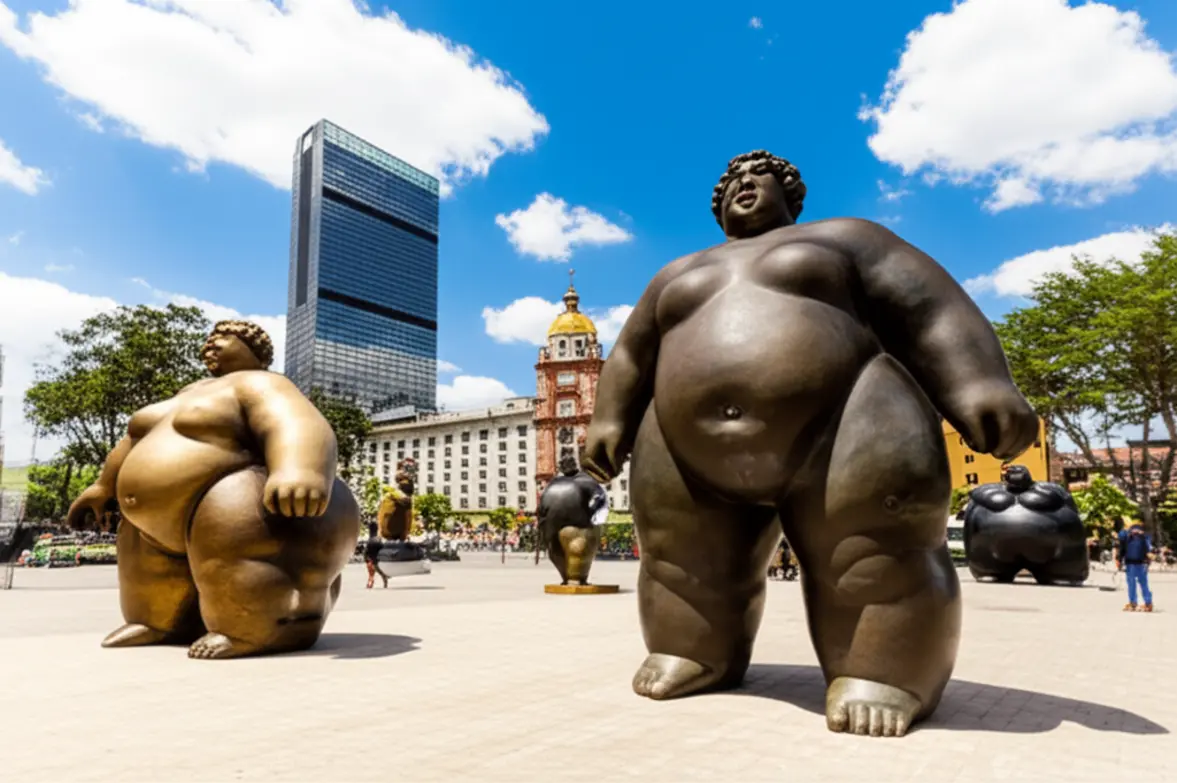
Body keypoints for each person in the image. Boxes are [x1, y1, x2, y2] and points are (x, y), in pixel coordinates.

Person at [1117, 523, 1154, 612]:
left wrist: (1119, 560)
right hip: (1135, 563)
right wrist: (1119, 560)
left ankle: (1142, 603)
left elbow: (1123, 549)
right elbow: (1123, 549)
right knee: (1136, 583)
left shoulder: (1140, 538)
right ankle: (1139, 602)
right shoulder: (1132, 538)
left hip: (1137, 563)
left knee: (1138, 583)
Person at [364, 523, 389, 589]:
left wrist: (366, 559)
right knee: (378, 572)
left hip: (371, 558)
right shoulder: (378, 539)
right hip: (377, 558)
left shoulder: (370, 539)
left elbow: (366, 551)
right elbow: (382, 548)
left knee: (371, 573)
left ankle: (370, 583)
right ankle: (384, 581)